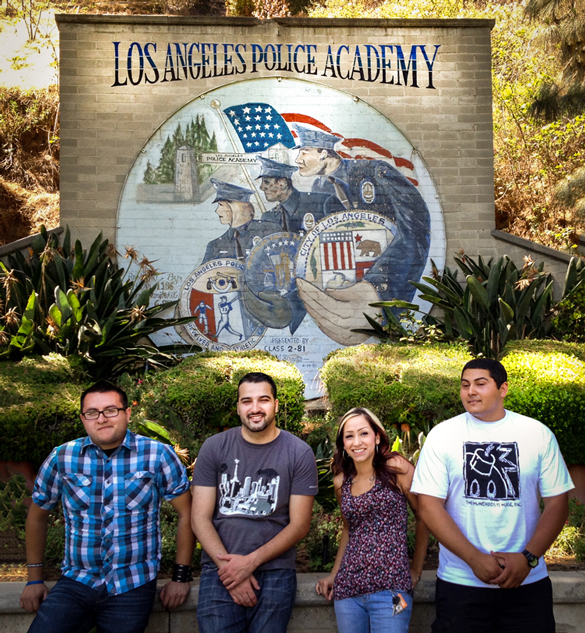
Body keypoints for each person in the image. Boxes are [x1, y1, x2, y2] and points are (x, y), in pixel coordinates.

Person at [411, 358, 574, 633]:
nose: (470, 391)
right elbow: (428, 507)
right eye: (465, 385)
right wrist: (474, 559)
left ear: (503, 389)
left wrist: (528, 559)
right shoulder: (442, 436)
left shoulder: (537, 434)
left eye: (480, 383)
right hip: (461, 584)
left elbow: (558, 503)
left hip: (528, 584)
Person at [20, 380, 196, 633]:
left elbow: (187, 512)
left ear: (127, 413)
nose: (101, 418)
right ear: (83, 418)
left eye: (110, 410)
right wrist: (34, 579)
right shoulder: (62, 457)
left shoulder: (157, 455)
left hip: (132, 584)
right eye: (92, 413)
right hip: (76, 582)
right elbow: (37, 516)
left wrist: (180, 577)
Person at [191, 371, 318, 633]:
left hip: (275, 572)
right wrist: (231, 572)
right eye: (247, 401)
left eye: (263, 400)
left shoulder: (298, 452)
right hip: (219, 569)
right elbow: (199, 517)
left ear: (276, 405)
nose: (255, 408)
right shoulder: (214, 447)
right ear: (238, 407)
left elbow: (300, 525)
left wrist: (249, 563)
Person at [291, 123, 431, 346]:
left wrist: (376, 288)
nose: (298, 159)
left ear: (324, 153)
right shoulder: (324, 188)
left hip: (387, 287)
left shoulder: (374, 171)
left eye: (304, 151)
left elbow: (417, 225)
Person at [315, 407, 429, 633]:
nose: (357, 442)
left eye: (363, 433)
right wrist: (334, 575)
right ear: (343, 444)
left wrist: (415, 570)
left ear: (377, 436)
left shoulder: (397, 469)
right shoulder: (342, 482)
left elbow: (425, 517)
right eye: (349, 436)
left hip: (393, 591)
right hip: (348, 592)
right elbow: (348, 530)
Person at [201, 179, 282, 264]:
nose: (217, 211)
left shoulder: (270, 231)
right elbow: (203, 275)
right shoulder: (216, 246)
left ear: (236, 208)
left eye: (221, 205)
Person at [255, 155, 337, 233]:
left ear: (283, 183)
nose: (261, 187)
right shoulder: (269, 217)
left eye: (266, 182)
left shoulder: (324, 203)